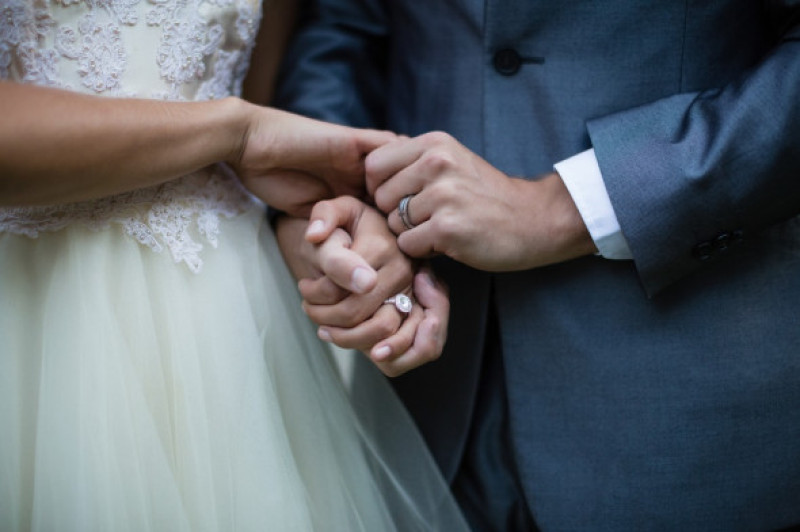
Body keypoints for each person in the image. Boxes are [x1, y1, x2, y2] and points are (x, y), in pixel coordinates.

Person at [273, 1, 800, 530]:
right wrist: (337, 215)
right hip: (419, 414)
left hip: (689, 399)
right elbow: (344, 25)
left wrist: (560, 207)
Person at [0, 0, 469, 530]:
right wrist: (235, 132)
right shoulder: (238, 130)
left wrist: (316, 235)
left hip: (228, 303)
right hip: (36, 301)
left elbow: (258, 107)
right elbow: (250, 130)